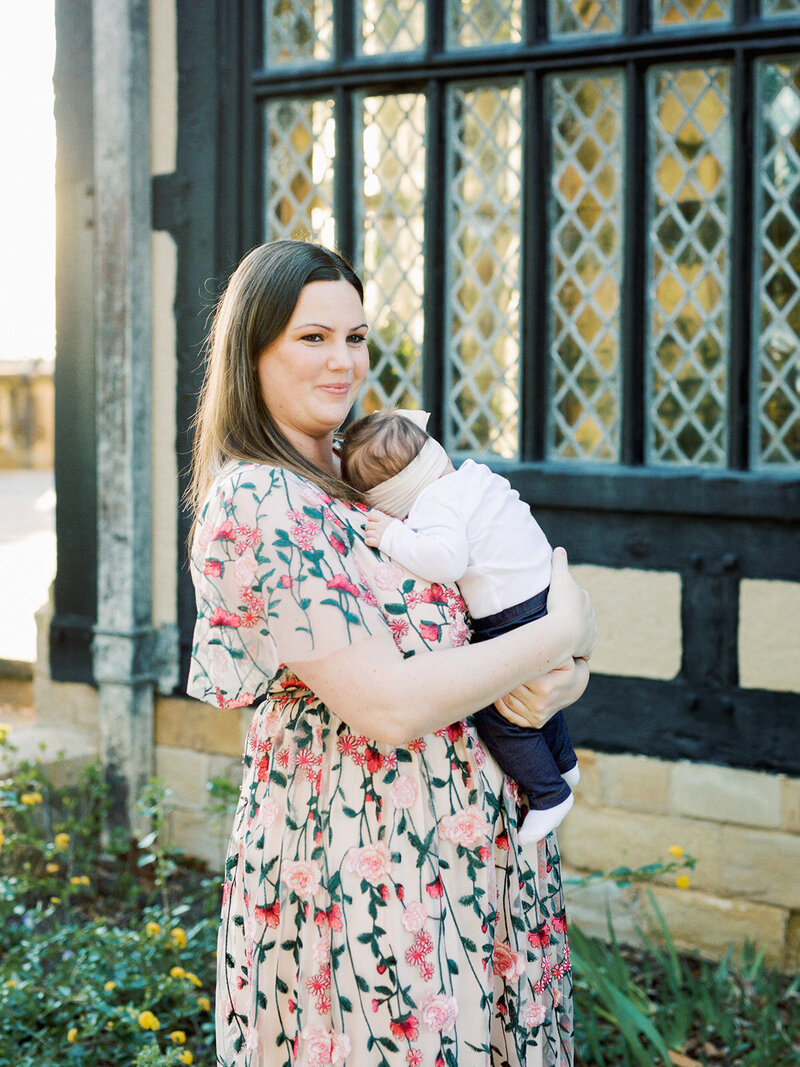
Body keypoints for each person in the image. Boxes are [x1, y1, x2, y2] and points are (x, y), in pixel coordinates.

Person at [186, 239, 595, 1067]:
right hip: (361, 874)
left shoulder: (374, 469)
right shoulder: (261, 499)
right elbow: (389, 704)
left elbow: (487, 603)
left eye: (356, 336)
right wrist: (559, 632)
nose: (343, 362)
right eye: (312, 338)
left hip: (472, 865)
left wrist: (557, 681)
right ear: (251, 350)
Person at [340, 410, 581, 844]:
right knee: (538, 688)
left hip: (510, 611)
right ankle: (564, 760)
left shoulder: (435, 502)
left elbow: (445, 560)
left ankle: (550, 793)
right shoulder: (473, 476)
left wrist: (393, 535)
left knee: (500, 713)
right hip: (541, 591)